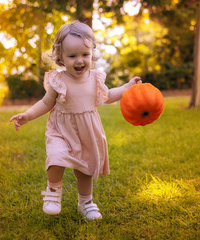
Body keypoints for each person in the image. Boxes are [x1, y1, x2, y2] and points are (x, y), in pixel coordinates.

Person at [10, 20, 141, 220]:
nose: (79, 61)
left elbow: (107, 96)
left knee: (85, 170)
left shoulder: (95, 78)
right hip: (61, 130)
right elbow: (46, 103)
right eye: (72, 56)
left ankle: (86, 202)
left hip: (87, 132)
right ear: (60, 57)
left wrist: (126, 88)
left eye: (84, 55)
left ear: (92, 54)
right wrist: (27, 115)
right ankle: (53, 193)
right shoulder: (58, 80)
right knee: (55, 156)